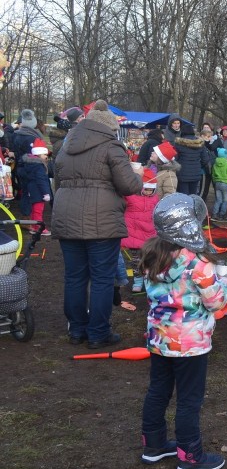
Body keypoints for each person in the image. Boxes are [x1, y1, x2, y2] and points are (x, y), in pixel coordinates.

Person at [137, 193, 227, 469]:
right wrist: (225, 281)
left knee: (159, 390)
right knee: (189, 399)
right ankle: (190, 457)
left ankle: (153, 445)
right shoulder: (197, 263)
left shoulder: (152, 254)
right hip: (190, 345)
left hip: (159, 339)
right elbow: (216, 301)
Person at [52, 100, 143, 348]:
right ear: (109, 126)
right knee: (102, 278)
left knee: (74, 277)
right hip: (101, 220)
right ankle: (98, 332)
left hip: (67, 216)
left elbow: (57, 181)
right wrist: (138, 175)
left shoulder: (66, 145)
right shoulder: (111, 146)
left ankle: (77, 330)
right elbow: (129, 186)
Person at [123, 168, 159, 293]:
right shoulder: (130, 197)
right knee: (135, 261)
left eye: (151, 190)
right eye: (146, 189)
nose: (149, 192)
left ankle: (148, 280)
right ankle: (138, 281)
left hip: (149, 236)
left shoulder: (155, 199)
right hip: (134, 236)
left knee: (150, 259)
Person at [17, 138, 52, 234]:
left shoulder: (27, 164)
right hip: (38, 192)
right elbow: (42, 181)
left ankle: (33, 226)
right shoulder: (39, 166)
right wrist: (46, 193)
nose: (46, 156)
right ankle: (40, 228)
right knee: (38, 211)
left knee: (33, 210)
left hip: (30, 191)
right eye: (45, 154)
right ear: (39, 154)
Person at [174, 124, 209, 196]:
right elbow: (205, 159)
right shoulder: (200, 143)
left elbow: (175, 159)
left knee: (184, 197)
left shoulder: (178, 144)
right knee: (193, 196)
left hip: (182, 173)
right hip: (196, 173)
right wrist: (199, 166)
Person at [210, 147, 227, 221]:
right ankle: (222, 215)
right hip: (226, 184)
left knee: (218, 200)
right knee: (225, 200)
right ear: (226, 155)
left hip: (217, 184)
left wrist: (215, 182)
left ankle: (214, 214)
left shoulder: (215, 164)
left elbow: (213, 174)